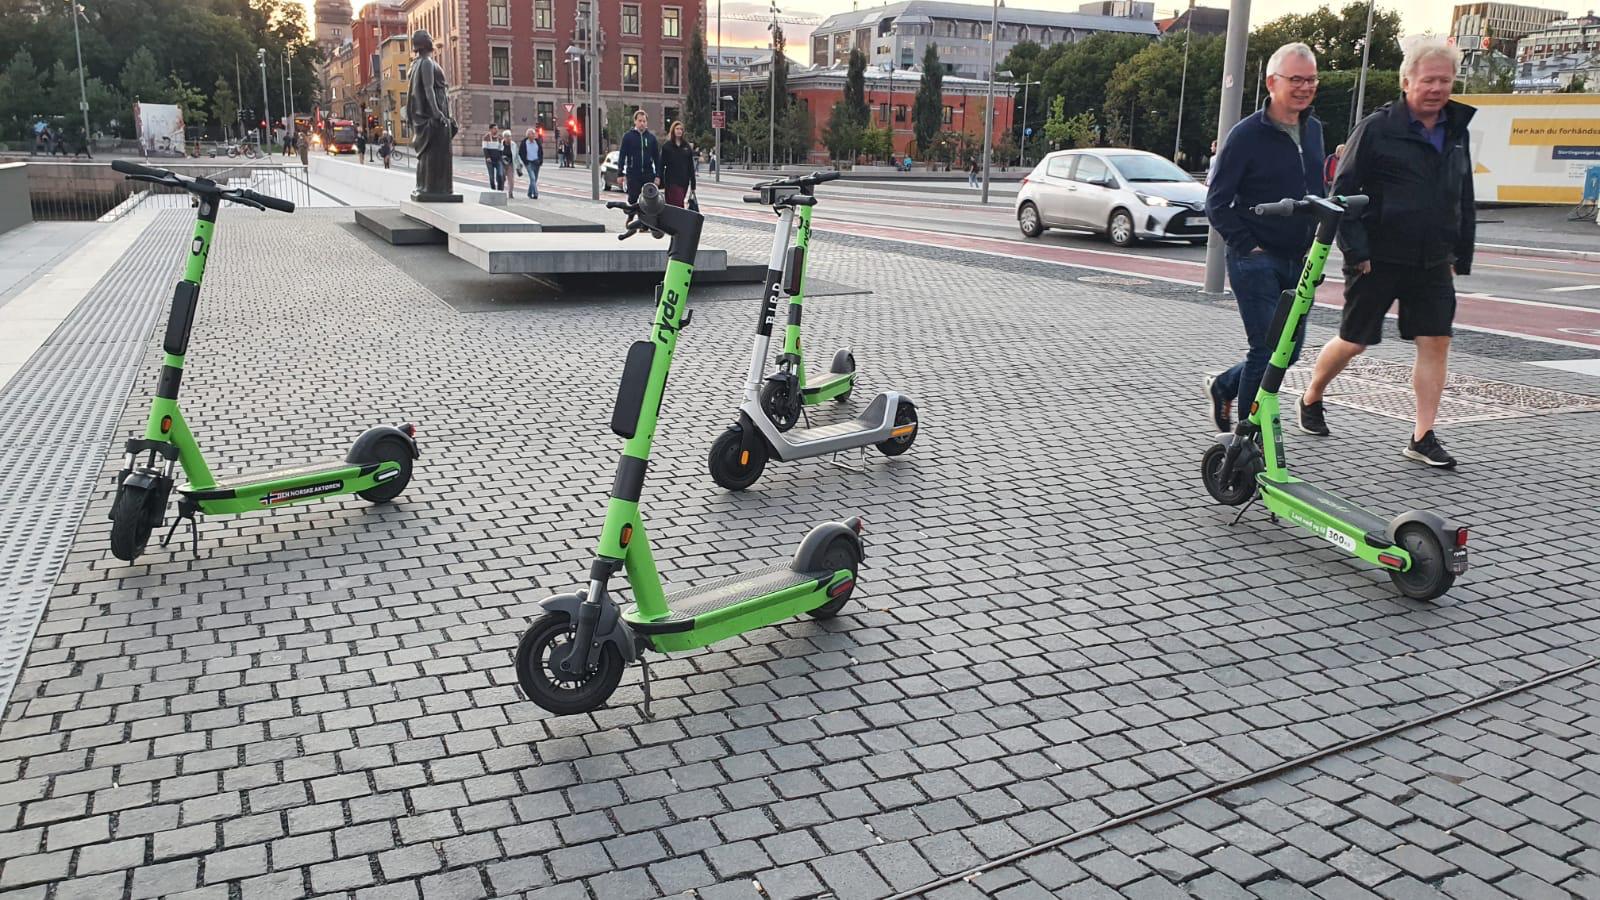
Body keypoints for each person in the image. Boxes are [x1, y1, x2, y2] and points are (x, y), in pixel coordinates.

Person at [1298, 36, 1475, 469]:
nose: (1437, 88)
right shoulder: (1377, 128)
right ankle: (1312, 395)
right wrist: (1356, 250)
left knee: (1436, 341)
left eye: (1445, 80)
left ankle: (1423, 435)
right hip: (1377, 256)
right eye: (1428, 80)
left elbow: (1463, 193)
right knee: (1354, 341)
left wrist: (1458, 253)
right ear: (1406, 81)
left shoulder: (1456, 129)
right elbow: (1342, 193)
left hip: (1432, 259)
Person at [1203, 42, 1326, 435]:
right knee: (1267, 349)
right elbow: (1216, 202)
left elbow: (1316, 191)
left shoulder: (1315, 130)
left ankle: (1225, 386)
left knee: (1289, 351)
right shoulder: (1246, 135)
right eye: (1296, 79)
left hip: (1300, 257)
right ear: (1272, 82)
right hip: (1256, 257)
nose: (1305, 87)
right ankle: (1248, 439)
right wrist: (1248, 246)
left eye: (1311, 79)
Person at [619, 108, 660, 204]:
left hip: (648, 174)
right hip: (633, 174)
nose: (642, 123)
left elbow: (657, 158)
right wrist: (620, 174)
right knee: (633, 199)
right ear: (635, 121)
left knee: (649, 200)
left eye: (644, 121)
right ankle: (632, 213)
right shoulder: (628, 137)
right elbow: (622, 156)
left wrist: (658, 175)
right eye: (640, 121)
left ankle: (646, 214)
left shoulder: (651, 138)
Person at [660, 120, 696, 208]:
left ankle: (671, 217)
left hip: (684, 181)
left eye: (681, 129)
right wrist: (659, 179)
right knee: (679, 205)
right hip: (671, 182)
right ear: (673, 130)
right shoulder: (667, 146)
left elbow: (691, 166)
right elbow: (661, 164)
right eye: (677, 129)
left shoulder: (686, 146)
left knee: (674, 206)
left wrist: (693, 183)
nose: (679, 131)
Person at [518, 127, 542, 198]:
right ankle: (535, 193)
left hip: (536, 162)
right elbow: (521, 153)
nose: (534, 135)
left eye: (534, 134)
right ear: (528, 135)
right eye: (532, 134)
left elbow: (541, 152)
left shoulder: (537, 142)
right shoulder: (524, 143)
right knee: (532, 178)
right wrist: (525, 161)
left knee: (534, 179)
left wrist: (540, 161)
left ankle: (529, 193)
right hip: (529, 163)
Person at [482, 125, 504, 190]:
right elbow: (485, 148)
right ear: (490, 129)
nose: (496, 130)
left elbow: (501, 149)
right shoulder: (486, 137)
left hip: (498, 159)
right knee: (491, 176)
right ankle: (493, 189)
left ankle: (500, 189)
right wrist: (487, 157)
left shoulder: (499, 138)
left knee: (500, 174)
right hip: (490, 160)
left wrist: (501, 157)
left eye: (497, 128)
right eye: (495, 128)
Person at [502, 131, 516, 198]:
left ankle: (510, 193)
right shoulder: (500, 144)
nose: (508, 138)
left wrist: (519, 164)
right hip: (502, 164)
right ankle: (500, 191)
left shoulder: (513, 144)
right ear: (504, 137)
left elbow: (516, 154)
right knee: (502, 178)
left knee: (511, 180)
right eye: (507, 136)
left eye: (509, 136)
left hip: (510, 164)